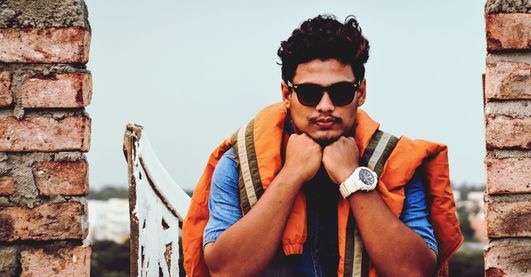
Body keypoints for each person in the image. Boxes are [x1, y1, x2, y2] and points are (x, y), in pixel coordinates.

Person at [182, 15, 462, 277]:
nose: (325, 106)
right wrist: (291, 174)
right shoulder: (241, 161)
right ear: (286, 94)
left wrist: (353, 179)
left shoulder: (395, 160)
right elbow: (225, 270)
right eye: (309, 93)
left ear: (360, 92)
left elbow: (415, 270)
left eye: (341, 92)